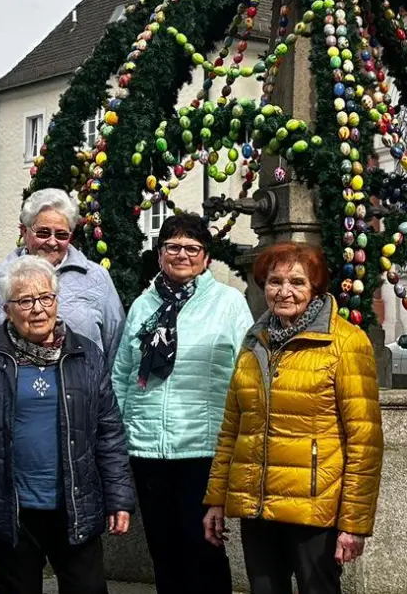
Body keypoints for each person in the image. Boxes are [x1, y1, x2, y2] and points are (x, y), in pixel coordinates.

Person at [0, 255, 135, 594]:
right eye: (26, 300)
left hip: (74, 505)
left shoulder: (86, 354)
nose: (38, 309)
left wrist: (119, 497)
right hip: (9, 509)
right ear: (6, 308)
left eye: (46, 298)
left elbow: (109, 430)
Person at [202, 243, 382, 594]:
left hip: (315, 508)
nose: (284, 291)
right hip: (257, 504)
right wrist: (217, 498)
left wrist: (354, 524)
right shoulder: (255, 340)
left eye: (297, 282)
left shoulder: (345, 342)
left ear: (315, 287)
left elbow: (365, 440)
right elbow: (232, 428)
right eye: (274, 281)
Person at [110, 214, 252, 594]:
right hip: (147, 449)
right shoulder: (143, 304)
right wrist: (119, 436)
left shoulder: (229, 303)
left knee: (203, 549)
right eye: (173, 246)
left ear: (206, 257)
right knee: (164, 553)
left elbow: (248, 377)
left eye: (193, 248)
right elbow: (123, 374)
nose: (182, 255)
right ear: (160, 255)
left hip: (202, 449)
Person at [0, 189, 124, 369]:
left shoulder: (97, 279)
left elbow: (117, 352)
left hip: (83, 394)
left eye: (61, 235)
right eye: (43, 233)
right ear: (24, 231)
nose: (52, 242)